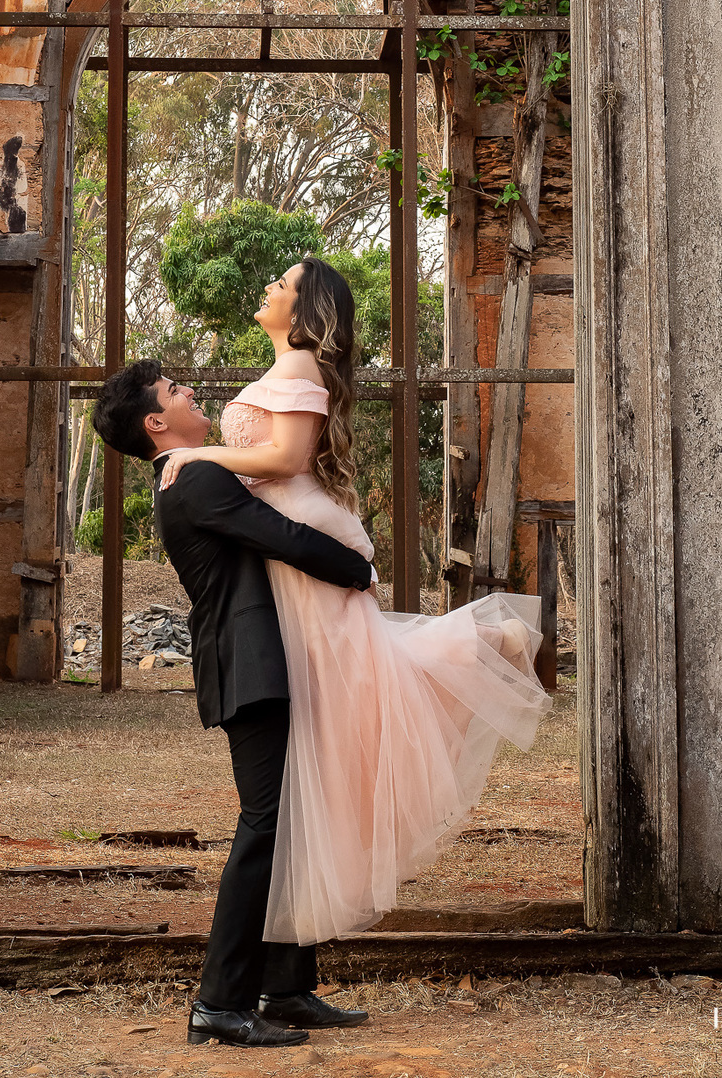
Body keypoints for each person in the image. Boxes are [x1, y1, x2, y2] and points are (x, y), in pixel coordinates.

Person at [157, 254, 552, 948]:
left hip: (308, 531)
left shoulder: (302, 367)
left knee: (357, 682)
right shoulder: (286, 371)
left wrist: (203, 454)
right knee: (346, 694)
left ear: (306, 311)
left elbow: (282, 460)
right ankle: (288, 974)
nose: (269, 285)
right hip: (296, 536)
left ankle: (480, 646)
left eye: (281, 283)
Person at [92, 360, 374, 1051]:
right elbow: (280, 537)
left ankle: (287, 986)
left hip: (262, 663)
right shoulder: (196, 476)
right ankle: (219, 1003)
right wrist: (357, 566)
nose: (190, 393)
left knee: (291, 820)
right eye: (175, 391)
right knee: (266, 824)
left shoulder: (197, 470)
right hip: (249, 667)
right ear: (156, 422)